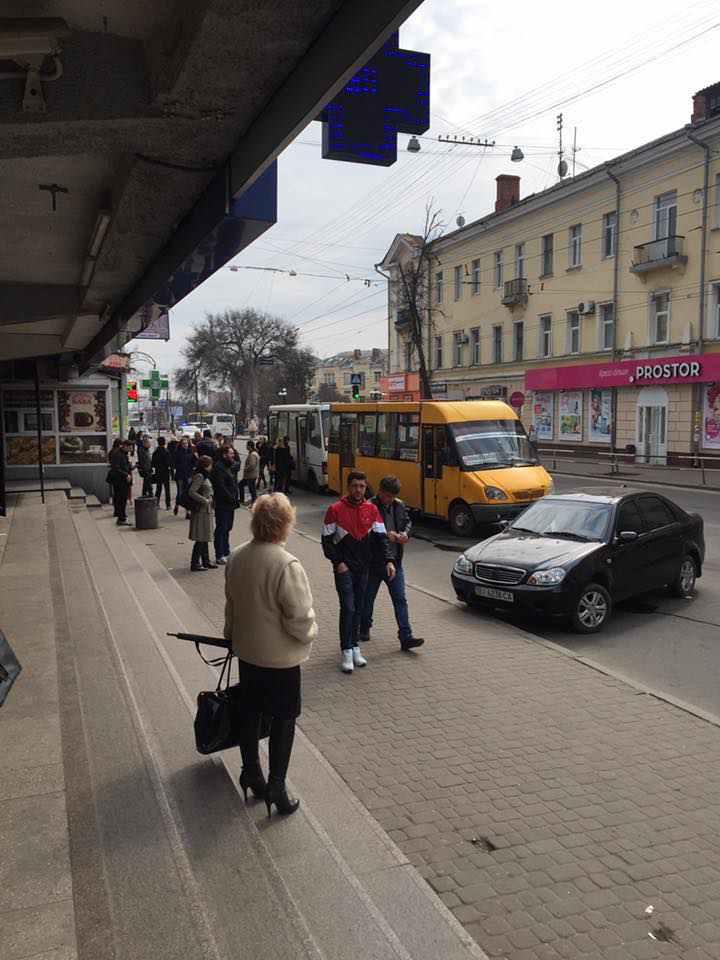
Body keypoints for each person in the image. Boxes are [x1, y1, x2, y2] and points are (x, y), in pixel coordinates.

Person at [225, 493, 317, 816]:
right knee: (283, 719)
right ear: (284, 524)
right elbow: (300, 619)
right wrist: (310, 636)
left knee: (250, 714)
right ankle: (277, 785)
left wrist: (231, 637)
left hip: (248, 654)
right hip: (281, 661)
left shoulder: (237, 556)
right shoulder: (286, 564)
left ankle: (251, 772)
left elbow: (231, 607)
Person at [322, 470, 394, 673]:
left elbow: (381, 539)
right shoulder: (334, 509)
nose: (358, 490)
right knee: (348, 608)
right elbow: (326, 541)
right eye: (355, 486)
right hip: (344, 568)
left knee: (359, 608)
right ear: (348, 487)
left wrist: (389, 560)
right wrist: (338, 562)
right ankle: (346, 650)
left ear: (365, 487)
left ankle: (355, 647)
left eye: (362, 486)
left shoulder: (371, 509)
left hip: (364, 568)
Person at [360, 476, 424, 652]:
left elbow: (408, 522)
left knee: (400, 599)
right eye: (386, 495)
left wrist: (405, 534)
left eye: (392, 497)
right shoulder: (369, 506)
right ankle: (364, 627)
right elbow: (365, 531)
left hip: (395, 561)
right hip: (374, 562)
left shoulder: (399, 505)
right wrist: (386, 534)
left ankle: (406, 637)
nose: (389, 499)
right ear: (380, 491)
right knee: (368, 598)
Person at [211, 445, 240, 564]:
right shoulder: (219, 468)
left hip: (230, 503)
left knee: (227, 527)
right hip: (223, 503)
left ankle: (226, 551)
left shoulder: (228, 466)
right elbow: (221, 487)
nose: (233, 456)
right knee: (221, 528)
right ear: (224, 455)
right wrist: (231, 498)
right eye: (231, 453)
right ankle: (220, 554)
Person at [188, 455, 217, 571]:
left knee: (205, 536)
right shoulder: (200, 476)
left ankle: (206, 561)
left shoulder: (204, 475)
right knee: (201, 537)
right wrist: (204, 500)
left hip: (206, 510)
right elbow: (192, 492)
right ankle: (195, 563)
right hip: (201, 510)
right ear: (206, 465)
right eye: (210, 464)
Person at [108, 440, 132, 526]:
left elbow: (125, 466)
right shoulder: (118, 454)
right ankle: (121, 518)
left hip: (122, 480)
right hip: (119, 480)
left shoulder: (123, 454)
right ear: (125, 446)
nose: (131, 449)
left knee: (122, 499)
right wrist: (126, 475)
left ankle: (121, 517)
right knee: (121, 499)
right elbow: (116, 468)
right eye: (130, 447)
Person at [173, 435, 196, 516]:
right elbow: (174, 464)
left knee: (188, 493)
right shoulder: (177, 452)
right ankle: (177, 505)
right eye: (183, 444)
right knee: (180, 492)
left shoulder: (190, 452)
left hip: (188, 475)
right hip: (180, 475)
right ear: (181, 444)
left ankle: (188, 511)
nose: (185, 445)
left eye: (186, 443)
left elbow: (195, 462)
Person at [151, 436, 173, 509]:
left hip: (158, 471)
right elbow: (169, 463)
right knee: (167, 489)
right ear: (164, 442)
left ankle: (157, 504)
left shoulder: (155, 452)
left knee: (158, 488)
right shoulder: (167, 452)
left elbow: (153, 463)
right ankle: (168, 505)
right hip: (165, 472)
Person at [240, 439, 260, 505]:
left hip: (250, 475)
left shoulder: (252, 454)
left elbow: (252, 465)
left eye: (247, 445)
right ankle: (253, 500)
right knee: (251, 488)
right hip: (252, 474)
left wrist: (246, 469)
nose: (246, 447)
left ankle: (253, 501)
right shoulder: (254, 453)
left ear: (249, 446)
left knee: (251, 488)